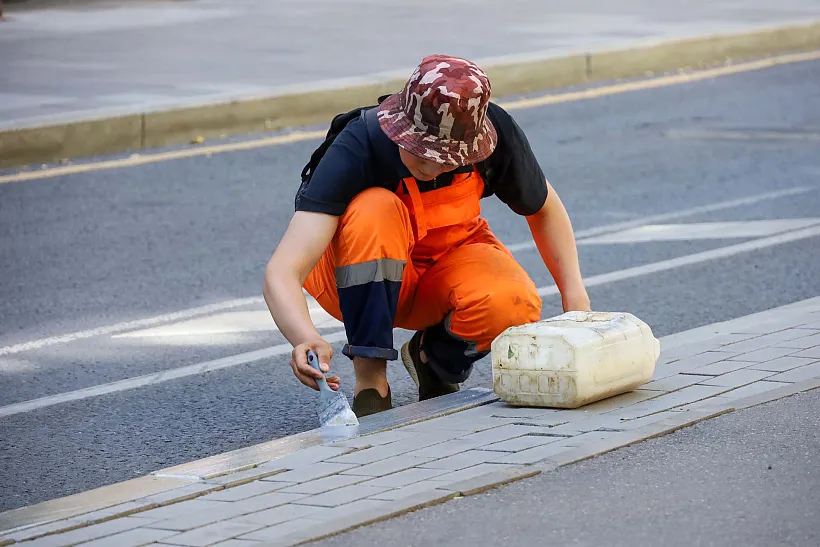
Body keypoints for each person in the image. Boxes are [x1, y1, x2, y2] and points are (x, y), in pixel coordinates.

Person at [263, 54, 590, 418]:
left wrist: (575, 299)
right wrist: (304, 336)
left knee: (514, 302)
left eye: (449, 157)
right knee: (375, 208)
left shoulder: (493, 132)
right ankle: (371, 380)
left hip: (443, 270)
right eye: (421, 151)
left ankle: (431, 360)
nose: (432, 165)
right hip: (359, 276)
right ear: (399, 127)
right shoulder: (360, 144)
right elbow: (282, 271)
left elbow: (544, 208)